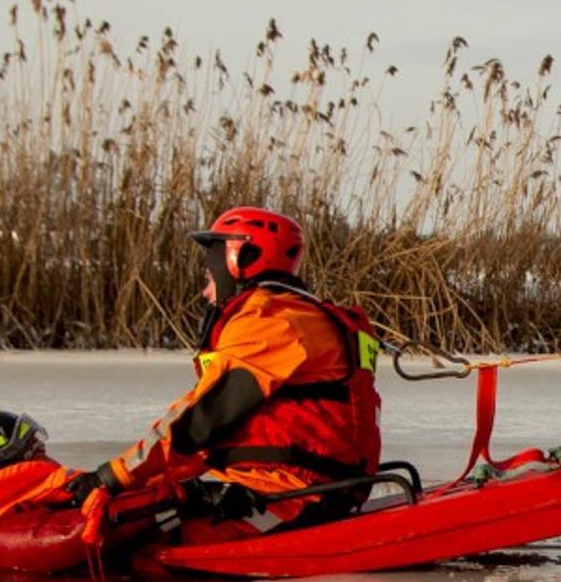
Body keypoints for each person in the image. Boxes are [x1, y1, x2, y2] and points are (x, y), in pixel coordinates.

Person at [63, 206, 386, 545]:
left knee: (140, 546)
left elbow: (201, 423)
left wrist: (113, 476)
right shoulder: (306, 314)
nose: (206, 291)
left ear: (237, 259)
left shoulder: (270, 321)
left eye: (208, 276)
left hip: (285, 494)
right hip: (312, 486)